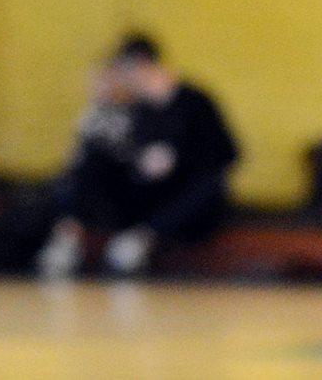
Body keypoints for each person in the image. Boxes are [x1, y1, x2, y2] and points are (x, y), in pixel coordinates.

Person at [35, 33, 240, 278]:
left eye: (126, 70)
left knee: (209, 185)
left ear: (141, 65)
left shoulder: (194, 101)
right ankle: (67, 239)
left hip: (182, 197)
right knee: (90, 158)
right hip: (140, 195)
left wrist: (176, 159)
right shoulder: (129, 106)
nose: (123, 78)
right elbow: (95, 159)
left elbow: (227, 155)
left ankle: (141, 240)